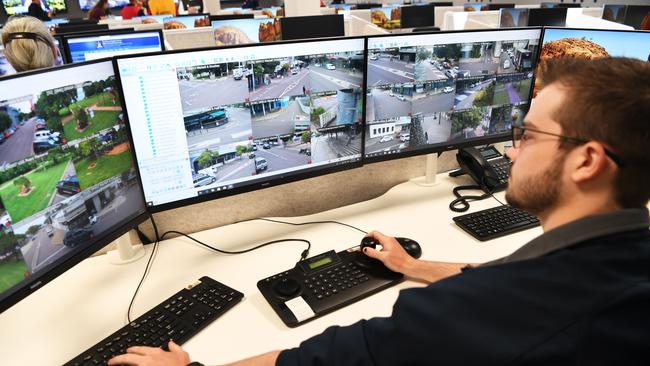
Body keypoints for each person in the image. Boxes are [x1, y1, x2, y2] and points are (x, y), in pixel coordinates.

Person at [109, 57, 650, 365]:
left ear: (586, 161)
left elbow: (318, 364)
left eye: (528, 133)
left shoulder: (486, 313)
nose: (510, 149)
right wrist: (414, 267)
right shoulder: (619, 258)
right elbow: (524, 279)